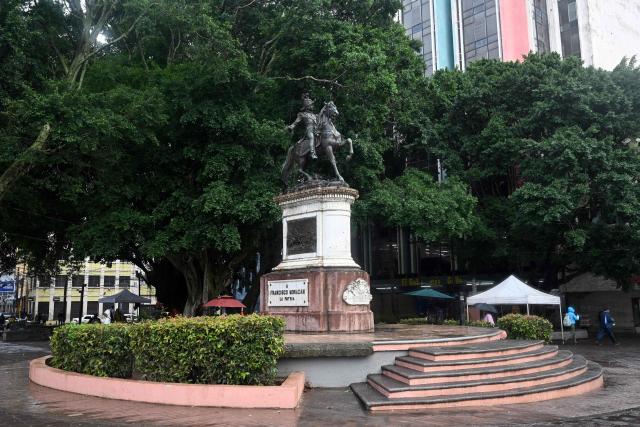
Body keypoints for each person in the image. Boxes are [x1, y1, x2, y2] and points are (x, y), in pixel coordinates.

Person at [287, 93, 318, 159]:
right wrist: (292, 126)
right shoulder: (302, 114)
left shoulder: (315, 115)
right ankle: (312, 153)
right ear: (307, 106)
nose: (313, 106)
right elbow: (296, 122)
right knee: (312, 137)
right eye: (311, 105)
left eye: (312, 105)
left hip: (316, 130)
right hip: (309, 129)